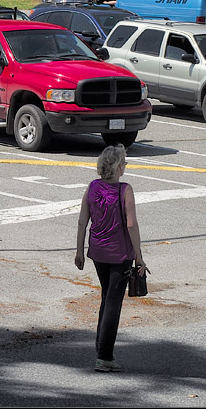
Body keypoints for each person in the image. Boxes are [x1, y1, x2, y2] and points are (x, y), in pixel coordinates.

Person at [74, 144, 148, 372]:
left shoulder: (93, 187)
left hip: (98, 252)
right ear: (118, 168)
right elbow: (131, 224)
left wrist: (79, 251)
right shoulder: (125, 190)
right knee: (113, 303)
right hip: (120, 254)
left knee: (107, 297)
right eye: (124, 162)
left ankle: (101, 348)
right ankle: (104, 357)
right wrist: (139, 258)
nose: (125, 166)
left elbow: (82, 221)